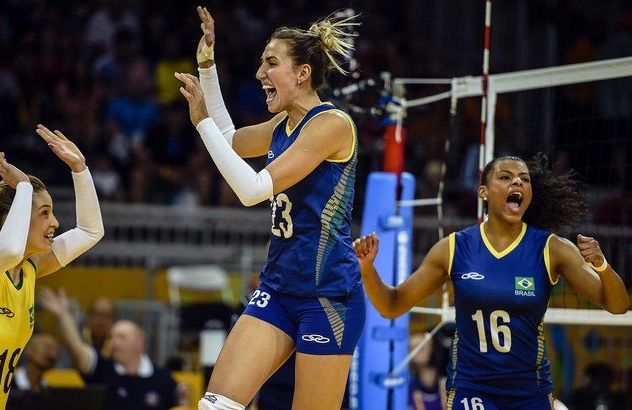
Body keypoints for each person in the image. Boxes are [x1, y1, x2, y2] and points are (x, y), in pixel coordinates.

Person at [175, 6, 364, 410]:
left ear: (302, 73)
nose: (260, 73)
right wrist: (207, 64)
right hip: (278, 288)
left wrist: (200, 123)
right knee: (215, 405)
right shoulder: (282, 126)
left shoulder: (332, 124)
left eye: (271, 63)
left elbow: (253, 189)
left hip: (327, 297)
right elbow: (229, 139)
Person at [353, 154, 629, 410]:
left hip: (529, 391)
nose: (517, 181)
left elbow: (618, 306)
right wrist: (367, 269)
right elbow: (392, 305)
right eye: (505, 177)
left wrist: (601, 266)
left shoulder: (552, 249)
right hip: (473, 388)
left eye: (524, 179)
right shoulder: (453, 248)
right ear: (483, 192)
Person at [0, 125, 105, 409]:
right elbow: (9, 250)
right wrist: (24, 188)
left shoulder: (30, 270)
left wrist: (80, 169)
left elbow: (91, 232)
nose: (55, 223)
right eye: (44, 213)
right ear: (13, 219)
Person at [39, 287, 179, 410]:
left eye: (121, 337)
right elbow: (78, 351)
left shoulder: (164, 381)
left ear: (139, 343)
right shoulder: (103, 369)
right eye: (112, 337)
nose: (114, 342)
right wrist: (64, 315)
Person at [6, 333, 61, 410]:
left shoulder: (50, 393)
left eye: (56, 350)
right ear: (29, 350)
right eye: (47, 347)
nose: (52, 354)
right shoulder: (8, 386)